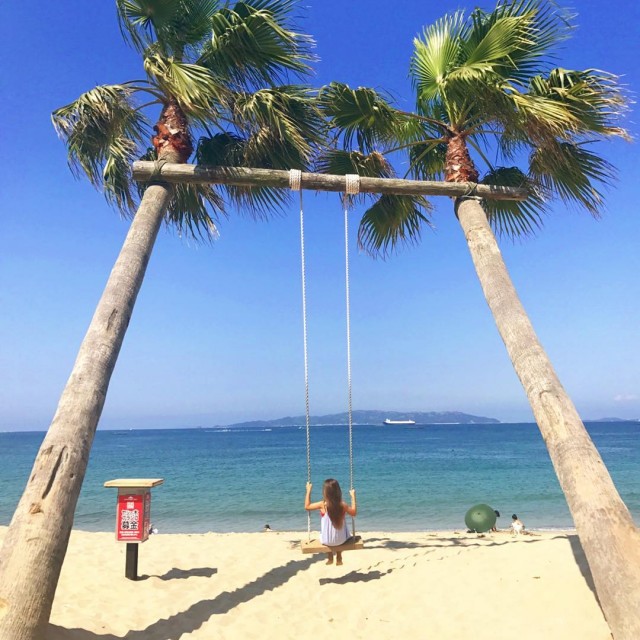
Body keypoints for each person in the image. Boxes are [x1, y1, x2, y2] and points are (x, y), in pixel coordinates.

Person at [305, 479, 357, 566]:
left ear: (325, 492)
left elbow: (307, 506)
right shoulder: (342, 505)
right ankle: (339, 556)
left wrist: (308, 490)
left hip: (326, 541)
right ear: (338, 491)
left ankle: (330, 556)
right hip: (341, 540)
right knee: (340, 529)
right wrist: (353, 497)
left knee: (325, 532)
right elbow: (354, 513)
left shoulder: (322, 505)